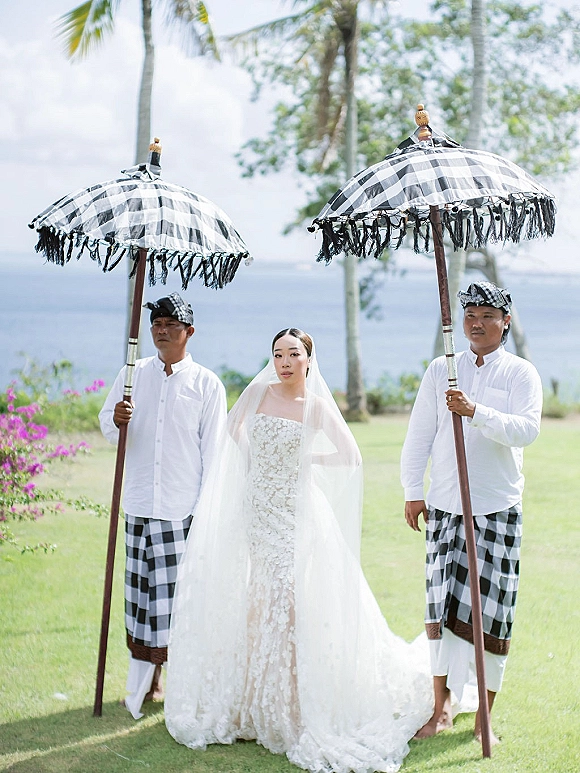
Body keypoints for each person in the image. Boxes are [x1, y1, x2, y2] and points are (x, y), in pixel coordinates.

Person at [165, 328, 434, 773]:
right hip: (257, 507)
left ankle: (290, 700)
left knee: (286, 596)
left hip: (294, 512)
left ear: (309, 359)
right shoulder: (258, 394)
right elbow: (232, 432)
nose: (285, 361)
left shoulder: (316, 406)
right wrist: (259, 465)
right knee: (259, 597)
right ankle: (254, 698)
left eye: (293, 354)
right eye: (277, 354)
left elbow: (350, 456)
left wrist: (306, 461)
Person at [401, 281, 543, 743]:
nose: (476, 323)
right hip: (445, 503)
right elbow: (420, 433)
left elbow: (526, 431)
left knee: (493, 611)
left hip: (496, 506)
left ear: (505, 321)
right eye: (469, 315)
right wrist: (412, 489)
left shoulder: (521, 374)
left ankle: (485, 714)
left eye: (486, 315)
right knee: (440, 608)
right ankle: (440, 710)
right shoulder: (441, 370)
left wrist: (475, 410)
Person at [99, 292, 227, 719]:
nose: (162, 330)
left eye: (172, 324)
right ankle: (143, 684)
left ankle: (182, 687)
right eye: (156, 323)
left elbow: (214, 454)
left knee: (178, 601)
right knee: (139, 597)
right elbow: (107, 427)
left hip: (180, 509)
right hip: (137, 504)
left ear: (189, 331)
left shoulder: (207, 384)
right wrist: (116, 418)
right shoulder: (132, 374)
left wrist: (207, 512)